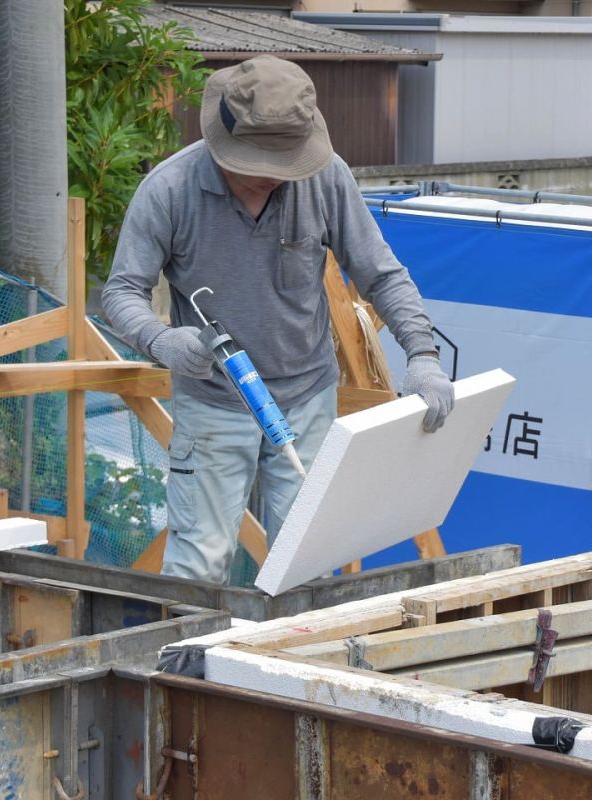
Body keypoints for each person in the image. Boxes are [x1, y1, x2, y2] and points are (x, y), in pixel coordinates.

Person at [101, 56, 454, 584]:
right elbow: (121, 292)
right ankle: (185, 666)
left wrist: (423, 356)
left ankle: (282, 665)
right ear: (225, 142)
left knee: (303, 564)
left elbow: (382, 274)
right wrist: (161, 340)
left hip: (308, 397)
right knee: (197, 567)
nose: (273, 178)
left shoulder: (325, 178)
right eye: (259, 165)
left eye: (285, 164)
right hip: (214, 402)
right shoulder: (170, 190)